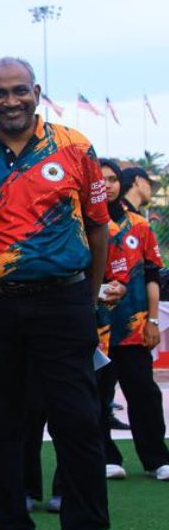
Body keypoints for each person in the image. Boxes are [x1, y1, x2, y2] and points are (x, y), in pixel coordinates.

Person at [0, 56, 138, 530]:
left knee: (79, 422)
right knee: (1, 426)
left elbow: (98, 229)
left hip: (62, 303)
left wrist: (86, 298)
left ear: (36, 92)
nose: (10, 101)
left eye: (19, 90)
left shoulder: (75, 147)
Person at [95, 160, 169, 482]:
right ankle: (107, 457)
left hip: (133, 329)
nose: (107, 185)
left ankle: (156, 458)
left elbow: (152, 276)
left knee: (144, 394)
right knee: (97, 396)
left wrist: (152, 320)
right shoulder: (81, 223)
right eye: (101, 179)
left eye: (113, 179)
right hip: (94, 330)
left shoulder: (139, 225)